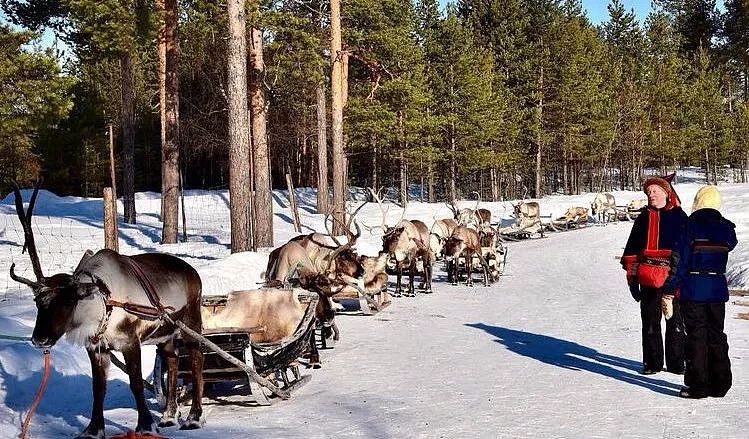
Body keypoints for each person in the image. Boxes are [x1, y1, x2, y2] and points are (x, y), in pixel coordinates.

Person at [661, 185, 737, 399]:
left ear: (697, 202)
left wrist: (669, 287)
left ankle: (698, 386)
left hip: (693, 289)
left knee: (696, 336)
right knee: (716, 334)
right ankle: (720, 383)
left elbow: (679, 261)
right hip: (717, 289)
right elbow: (731, 242)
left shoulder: (689, 226)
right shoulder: (726, 228)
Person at [621, 173, 687, 375]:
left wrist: (683, 277)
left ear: (666, 193)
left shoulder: (679, 217)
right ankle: (652, 363)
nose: (651, 195)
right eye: (649, 192)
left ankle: (677, 363)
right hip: (648, 277)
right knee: (650, 321)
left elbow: (686, 250)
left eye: (655, 191)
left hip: (672, 276)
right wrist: (632, 279)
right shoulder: (642, 218)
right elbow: (632, 251)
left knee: (675, 320)